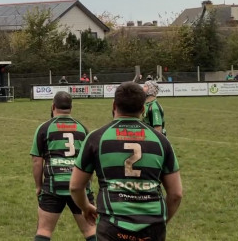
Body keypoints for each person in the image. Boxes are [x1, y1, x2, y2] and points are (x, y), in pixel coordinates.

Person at [70, 82, 183, 241]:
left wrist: (86, 207)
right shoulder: (161, 141)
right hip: (152, 227)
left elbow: (75, 186)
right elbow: (176, 194)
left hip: (112, 226)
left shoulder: (97, 138)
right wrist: (161, 221)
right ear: (143, 109)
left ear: (114, 105)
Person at [30, 92, 95, 241]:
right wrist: (87, 184)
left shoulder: (44, 128)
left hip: (53, 186)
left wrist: (38, 186)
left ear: (53, 106)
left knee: (44, 230)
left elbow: (37, 161)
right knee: (91, 230)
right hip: (79, 186)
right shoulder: (82, 129)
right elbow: (88, 162)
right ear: (71, 107)